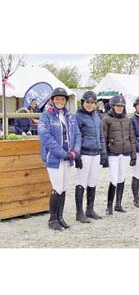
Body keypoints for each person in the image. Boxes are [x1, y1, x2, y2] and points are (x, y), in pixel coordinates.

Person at [38, 87, 81, 231]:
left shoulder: (70, 116)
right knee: (56, 187)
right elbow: (46, 138)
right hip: (54, 159)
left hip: (68, 158)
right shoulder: (46, 116)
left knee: (63, 187)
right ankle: (52, 219)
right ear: (52, 100)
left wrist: (75, 151)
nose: (60, 101)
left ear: (65, 101)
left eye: (62, 99)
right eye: (57, 98)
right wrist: (63, 153)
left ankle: (60, 217)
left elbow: (77, 135)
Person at [74, 91, 107, 223]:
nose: (90, 104)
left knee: (92, 181)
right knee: (82, 181)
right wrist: (77, 154)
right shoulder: (78, 117)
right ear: (83, 103)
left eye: (92, 102)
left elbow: (101, 136)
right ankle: (79, 212)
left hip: (96, 153)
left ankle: (90, 209)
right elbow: (75, 136)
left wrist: (103, 152)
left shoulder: (97, 116)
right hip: (84, 153)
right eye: (87, 102)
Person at [102, 95, 137, 215]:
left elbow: (132, 137)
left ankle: (118, 204)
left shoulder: (128, 120)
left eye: (122, 106)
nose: (120, 108)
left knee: (122, 177)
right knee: (113, 178)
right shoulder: (107, 120)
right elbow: (104, 138)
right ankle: (109, 206)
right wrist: (104, 154)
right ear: (113, 106)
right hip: (113, 153)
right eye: (118, 106)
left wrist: (133, 154)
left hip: (125, 152)